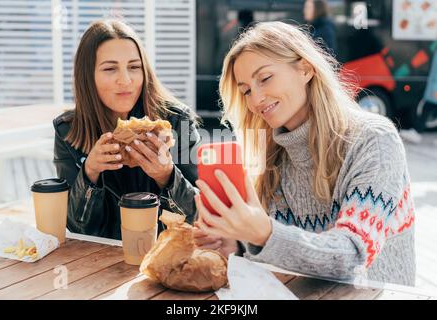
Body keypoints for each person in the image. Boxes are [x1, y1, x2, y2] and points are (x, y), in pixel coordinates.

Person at [194, 21, 415, 286]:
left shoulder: (374, 141)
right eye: (246, 91)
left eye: (265, 78)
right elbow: (284, 257)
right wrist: (236, 246)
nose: (256, 99)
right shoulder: (271, 156)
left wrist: (263, 232)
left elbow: (351, 257)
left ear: (305, 69)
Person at [53, 19, 200, 240]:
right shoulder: (68, 131)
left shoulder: (177, 121)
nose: (126, 80)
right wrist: (89, 173)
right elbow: (78, 229)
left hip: (166, 257)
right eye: (110, 69)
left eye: (134, 67)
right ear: (88, 77)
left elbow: (199, 217)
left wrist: (167, 176)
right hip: (97, 262)